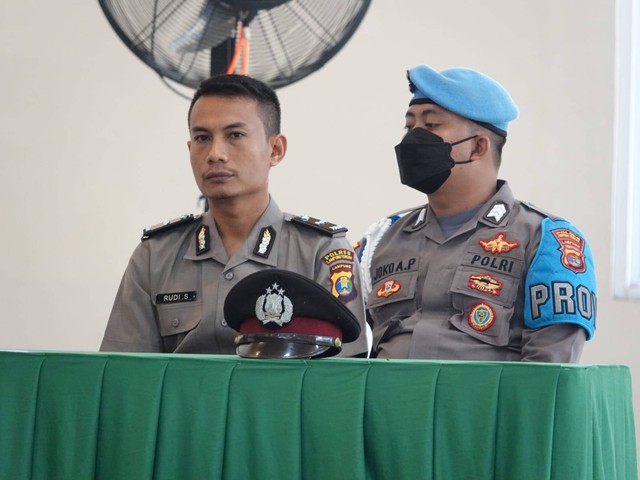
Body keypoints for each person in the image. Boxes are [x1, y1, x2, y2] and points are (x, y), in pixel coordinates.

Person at [100, 74, 368, 356]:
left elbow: (342, 379)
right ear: (190, 150)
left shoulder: (322, 252)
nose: (215, 154)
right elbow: (126, 374)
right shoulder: (156, 255)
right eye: (202, 138)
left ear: (275, 150)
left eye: (235, 135)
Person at [356, 64, 596, 362]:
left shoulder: (544, 240)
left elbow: (549, 374)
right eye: (409, 126)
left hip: (484, 409)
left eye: (430, 126)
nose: (412, 139)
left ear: (479, 146)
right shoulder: (382, 239)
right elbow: (349, 353)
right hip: (390, 406)